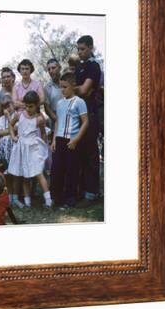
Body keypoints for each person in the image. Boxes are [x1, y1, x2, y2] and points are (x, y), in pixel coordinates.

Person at [8, 91, 53, 209]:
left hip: (33, 148)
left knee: (39, 173)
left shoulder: (39, 119)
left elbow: (43, 134)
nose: (28, 109)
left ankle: (48, 200)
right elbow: (11, 125)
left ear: (37, 105)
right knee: (25, 174)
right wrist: (13, 136)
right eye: (26, 106)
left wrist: (43, 148)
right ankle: (27, 202)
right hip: (21, 147)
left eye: (31, 106)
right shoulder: (19, 115)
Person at [50, 72, 89, 209]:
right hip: (59, 139)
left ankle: (69, 199)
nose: (62, 90)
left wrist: (76, 139)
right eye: (61, 87)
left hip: (72, 141)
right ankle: (56, 198)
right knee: (57, 170)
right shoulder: (60, 103)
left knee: (71, 171)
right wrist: (54, 140)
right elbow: (57, 122)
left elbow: (85, 122)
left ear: (73, 85)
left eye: (65, 87)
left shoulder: (79, 102)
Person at [74, 35, 102, 208]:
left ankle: (92, 193)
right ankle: (84, 190)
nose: (80, 52)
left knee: (91, 153)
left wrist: (75, 89)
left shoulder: (93, 66)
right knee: (81, 153)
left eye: (83, 49)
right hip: (79, 114)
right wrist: (78, 90)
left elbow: (84, 90)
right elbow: (80, 90)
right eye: (78, 49)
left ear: (91, 48)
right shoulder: (79, 68)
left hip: (91, 114)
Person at [44, 58, 63, 130]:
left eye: (53, 68)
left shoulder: (68, 81)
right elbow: (47, 109)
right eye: (49, 69)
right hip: (55, 124)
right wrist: (57, 120)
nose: (51, 71)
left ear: (59, 68)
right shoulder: (47, 87)